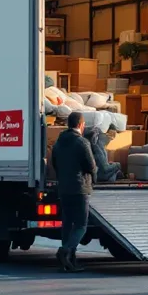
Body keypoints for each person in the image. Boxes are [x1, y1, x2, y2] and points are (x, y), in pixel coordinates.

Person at [50, 111, 97, 272]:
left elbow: (54, 163)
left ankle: (69, 260)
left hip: (64, 188)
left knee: (67, 224)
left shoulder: (58, 143)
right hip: (79, 188)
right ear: (81, 125)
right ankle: (65, 251)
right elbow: (91, 166)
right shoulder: (82, 143)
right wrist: (94, 180)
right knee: (81, 225)